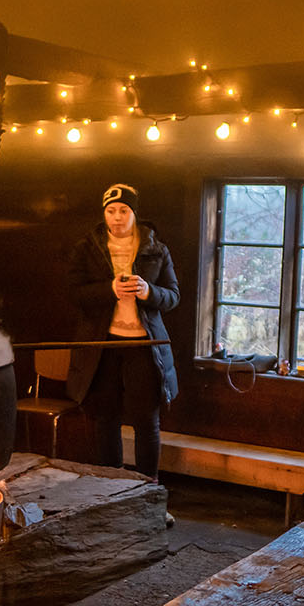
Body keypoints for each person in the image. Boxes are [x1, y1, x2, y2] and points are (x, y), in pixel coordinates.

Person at [66, 183, 180, 484]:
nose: (117, 217)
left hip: (144, 345)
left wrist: (148, 291)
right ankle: (109, 492)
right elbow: (74, 294)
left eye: (124, 211)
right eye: (111, 211)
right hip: (102, 346)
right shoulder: (87, 246)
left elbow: (173, 296)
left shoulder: (155, 248)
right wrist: (109, 290)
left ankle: (148, 494)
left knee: (146, 421)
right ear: (104, 214)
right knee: (106, 420)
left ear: (134, 213)